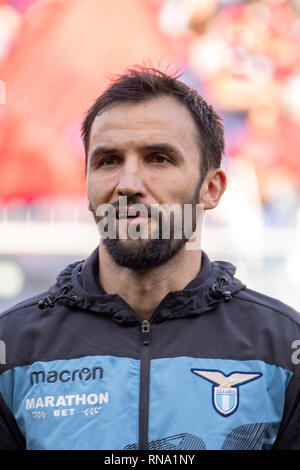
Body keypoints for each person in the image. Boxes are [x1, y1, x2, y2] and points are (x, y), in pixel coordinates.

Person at [0, 66, 300, 451]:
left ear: (211, 188)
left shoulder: (282, 348)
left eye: (158, 158)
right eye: (107, 160)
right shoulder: (13, 348)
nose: (127, 184)